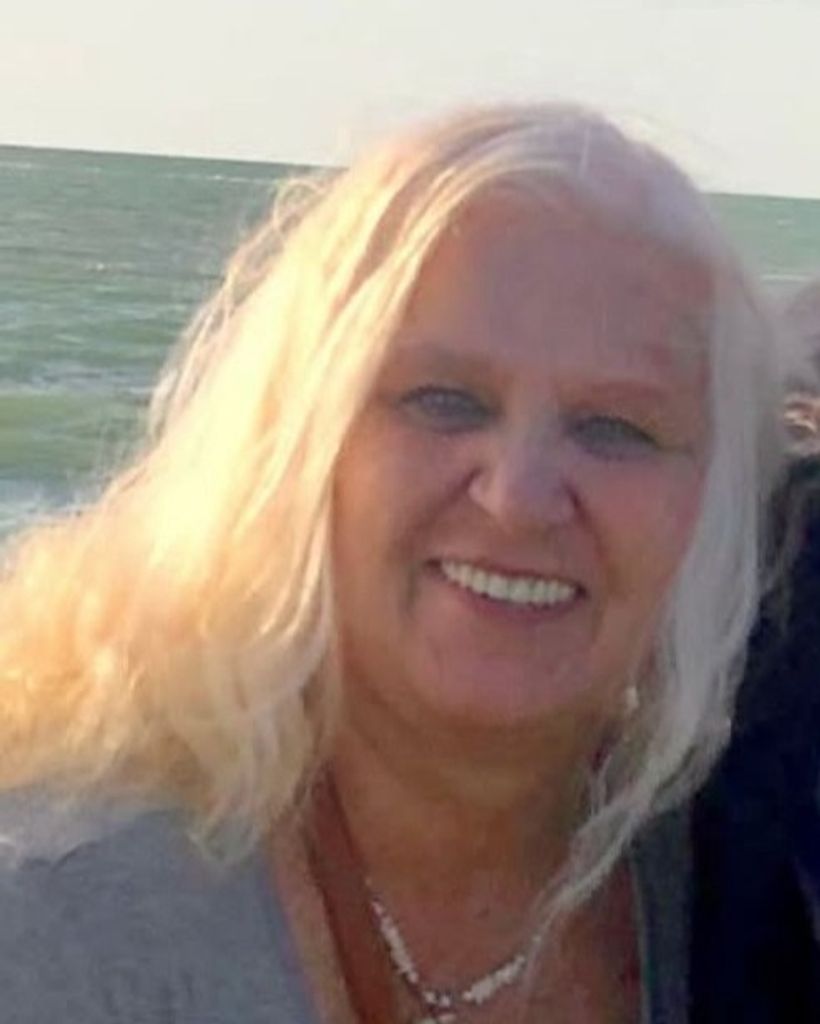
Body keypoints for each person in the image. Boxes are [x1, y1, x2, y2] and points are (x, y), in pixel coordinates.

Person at [0, 104, 786, 1023]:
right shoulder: (59, 918)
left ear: (719, 501)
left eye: (615, 427)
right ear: (293, 443)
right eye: (444, 400)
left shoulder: (751, 901)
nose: (518, 496)